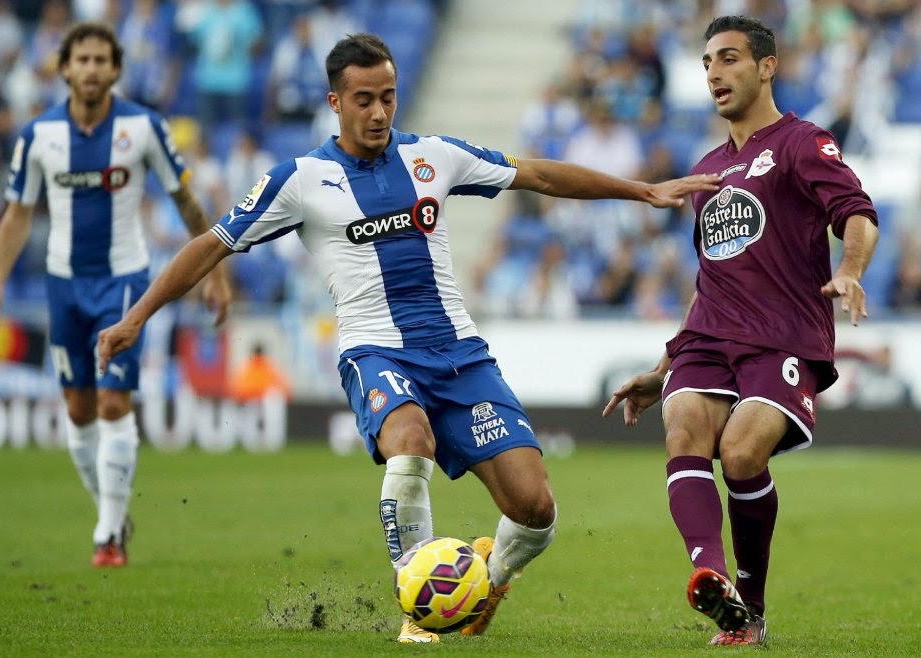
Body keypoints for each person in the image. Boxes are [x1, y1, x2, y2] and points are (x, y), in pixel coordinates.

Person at [97, 33, 720, 642]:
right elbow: (212, 243)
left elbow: (537, 175)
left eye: (388, 96)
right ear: (335, 102)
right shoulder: (300, 179)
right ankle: (416, 602)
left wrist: (640, 190)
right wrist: (136, 318)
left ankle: (482, 588)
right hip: (376, 351)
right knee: (410, 443)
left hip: (460, 355)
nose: (378, 111)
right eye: (364, 99)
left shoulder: (433, 157)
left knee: (535, 512)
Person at [602, 16, 879, 647]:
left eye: (729, 58)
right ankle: (712, 576)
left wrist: (851, 270)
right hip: (707, 338)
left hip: (782, 337)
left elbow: (858, 215)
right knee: (684, 431)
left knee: (743, 452)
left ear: (766, 66)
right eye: (706, 63)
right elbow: (713, 281)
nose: (715, 73)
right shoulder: (705, 171)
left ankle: (749, 607)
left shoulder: (803, 143)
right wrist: (665, 366)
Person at [0, 21, 231, 568]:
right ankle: (111, 511)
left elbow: (185, 202)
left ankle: (108, 534)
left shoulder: (142, 127)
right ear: (64, 68)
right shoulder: (39, 135)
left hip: (124, 281)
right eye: (81, 60)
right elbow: (17, 212)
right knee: (78, 408)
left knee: (115, 403)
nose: (90, 69)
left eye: (99, 60)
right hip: (63, 283)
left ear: (115, 69)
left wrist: (216, 272)